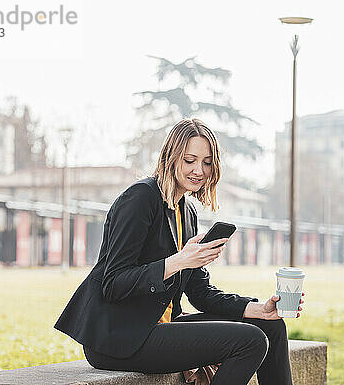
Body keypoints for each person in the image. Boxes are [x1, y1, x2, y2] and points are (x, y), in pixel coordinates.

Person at [54, 118, 304, 385]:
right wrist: (177, 262)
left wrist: (257, 309)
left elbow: (200, 293)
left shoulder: (187, 211)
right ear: (171, 157)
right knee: (250, 341)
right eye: (190, 160)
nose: (199, 170)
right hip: (120, 337)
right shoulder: (140, 199)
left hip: (160, 327)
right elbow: (114, 283)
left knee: (270, 326)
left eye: (207, 162)